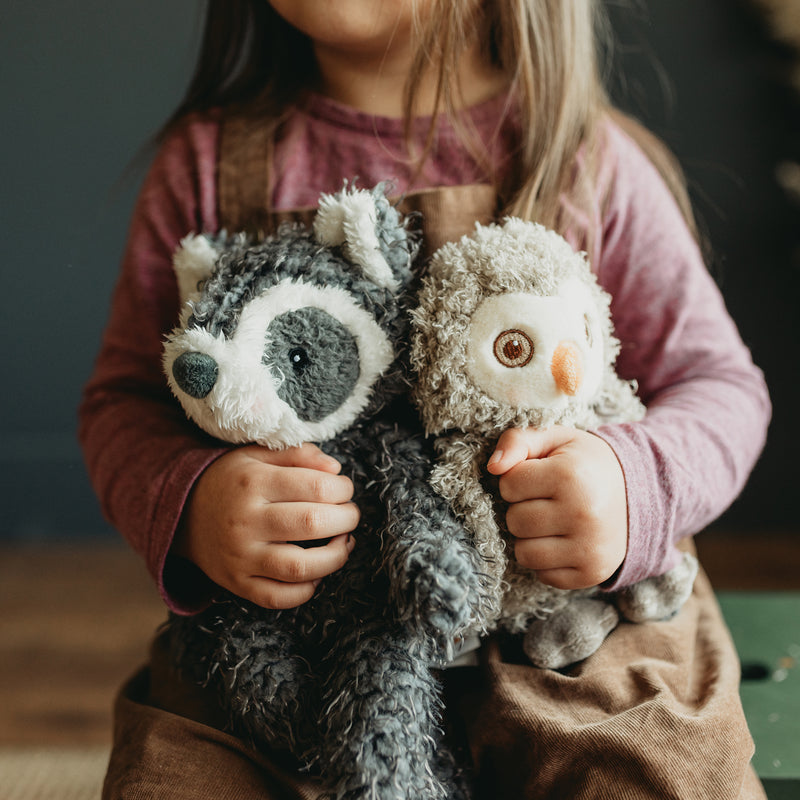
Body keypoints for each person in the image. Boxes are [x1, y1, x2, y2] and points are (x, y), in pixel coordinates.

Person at [78, 1, 772, 798]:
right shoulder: (207, 162)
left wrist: (628, 487)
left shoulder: (588, 161)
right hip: (290, 644)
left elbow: (720, 386)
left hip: (573, 628)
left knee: (658, 772)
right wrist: (194, 505)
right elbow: (123, 400)